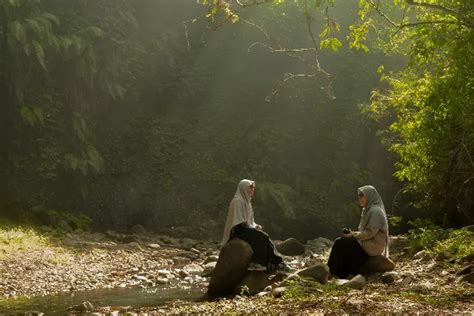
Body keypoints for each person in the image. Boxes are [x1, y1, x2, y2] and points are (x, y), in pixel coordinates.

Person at [221, 179, 287, 272]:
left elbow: (251, 220)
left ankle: (276, 262)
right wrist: (251, 227)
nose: (252, 191)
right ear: (243, 189)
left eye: (253, 189)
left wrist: (255, 226)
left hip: (245, 228)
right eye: (250, 189)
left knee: (265, 237)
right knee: (261, 236)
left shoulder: (248, 202)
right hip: (238, 229)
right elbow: (238, 220)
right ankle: (256, 263)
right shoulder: (237, 201)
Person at [327, 185, 389, 278]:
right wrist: (353, 234)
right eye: (359, 196)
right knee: (342, 242)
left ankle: (333, 272)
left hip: (373, 244)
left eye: (362, 195)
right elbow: (365, 232)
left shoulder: (375, 211)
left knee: (340, 242)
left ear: (369, 196)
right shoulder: (367, 210)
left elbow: (370, 232)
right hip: (367, 241)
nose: (359, 198)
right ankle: (335, 272)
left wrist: (353, 235)